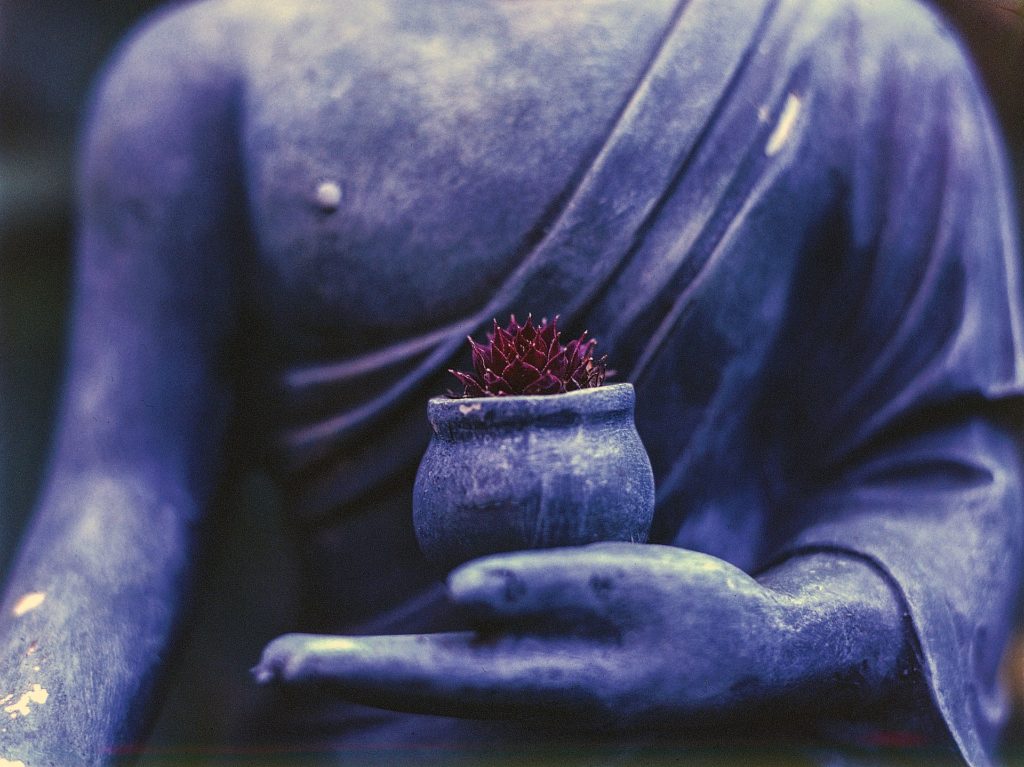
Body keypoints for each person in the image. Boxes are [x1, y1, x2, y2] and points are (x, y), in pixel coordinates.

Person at [0, 0, 1021, 764]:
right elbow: (122, 497)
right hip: (357, 734)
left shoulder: (850, 43)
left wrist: (784, 635)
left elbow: (947, 467)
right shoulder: (212, 69)